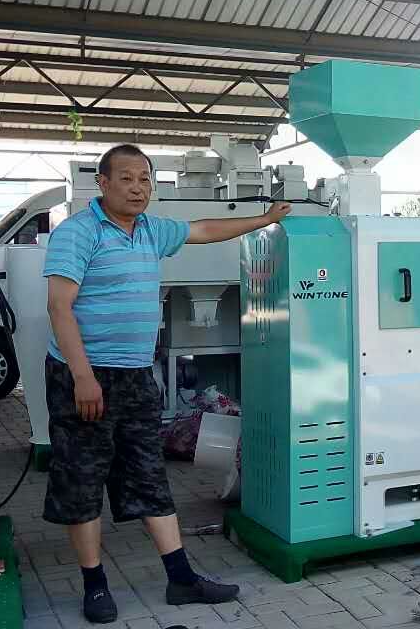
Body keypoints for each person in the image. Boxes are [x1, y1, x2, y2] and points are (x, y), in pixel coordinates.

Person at [42, 144, 291, 624]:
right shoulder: (78, 233)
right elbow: (59, 307)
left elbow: (205, 230)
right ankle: (95, 585)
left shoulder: (151, 230)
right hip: (85, 376)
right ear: (103, 183)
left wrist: (264, 220)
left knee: (149, 474)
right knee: (83, 480)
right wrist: (82, 377)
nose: (138, 188)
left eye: (145, 179)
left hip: (136, 375)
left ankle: (181, 578)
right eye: (127, 178)